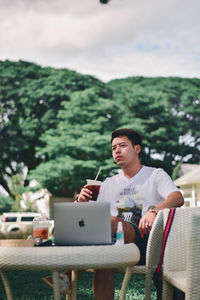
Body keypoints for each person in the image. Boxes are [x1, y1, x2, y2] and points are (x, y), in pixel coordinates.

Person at [77, 128, 184, 300]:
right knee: (101, 256)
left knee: (111, 222)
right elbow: (89, 220)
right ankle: (67, 275)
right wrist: (81, 203)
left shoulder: (155, 175)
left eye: (122, 145)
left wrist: (154, 210)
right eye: (113, 148)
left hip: (147, 243)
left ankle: (66, 275)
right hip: (112, 245)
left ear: (137, 149)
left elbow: (177, 197)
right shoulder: (108, 183)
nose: (117, 150)